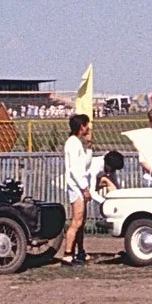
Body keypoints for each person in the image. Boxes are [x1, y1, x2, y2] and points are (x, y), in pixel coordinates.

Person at [57, 114, 97, 266]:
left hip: (79, 186)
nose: (88, 128)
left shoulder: (77, 144)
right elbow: (74, 170)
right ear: (82, 127)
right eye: (86, 125)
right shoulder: (72, 144)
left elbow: (84, 164)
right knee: (76, 221)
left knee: (81, 221)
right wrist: (84, 188)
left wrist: (89, 146)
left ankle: (79, 251)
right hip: (76, 187)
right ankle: (67, 254)